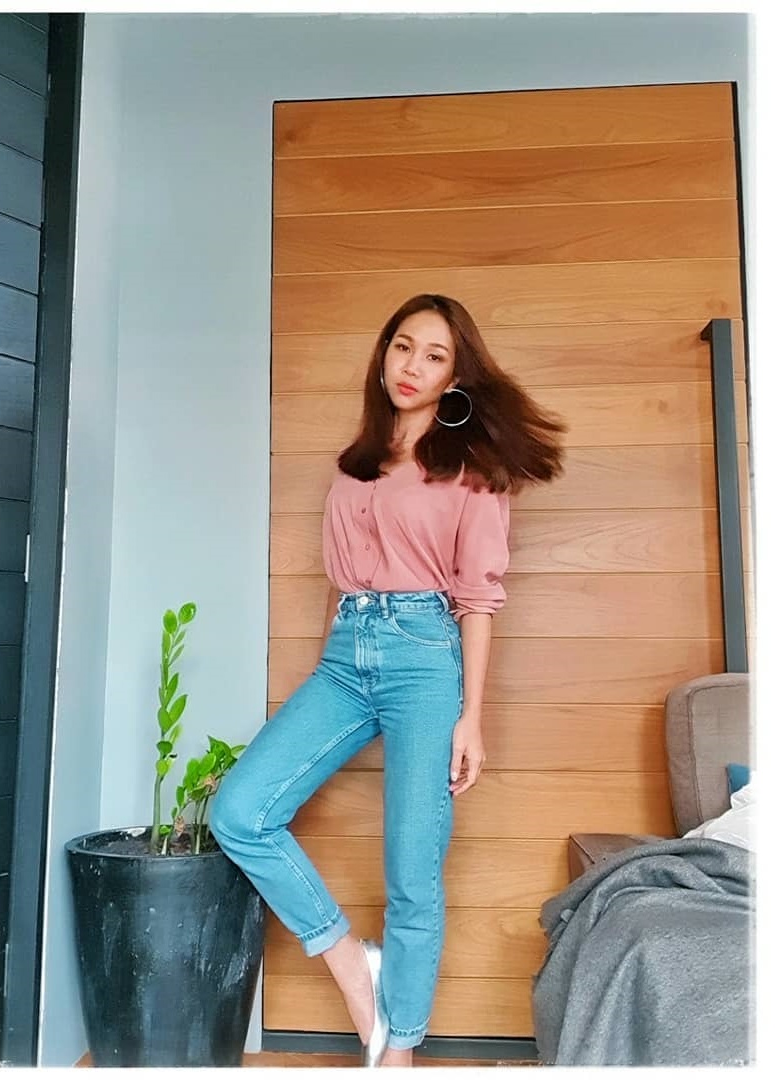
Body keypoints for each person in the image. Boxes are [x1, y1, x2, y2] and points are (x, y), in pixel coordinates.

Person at [210, 293, 565, 1067]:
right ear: (383, 354)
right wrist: (327, 661)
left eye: (435, 356)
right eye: (403, 346)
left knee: (412, 871)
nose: (412, 366)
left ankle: (397, 1051)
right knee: (240, 811)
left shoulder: (473, 472)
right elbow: (338, 583)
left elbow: (478, 600)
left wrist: (471, 718)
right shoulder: (354, 463)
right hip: (345, 658)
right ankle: (349, 963)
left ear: (455, 376)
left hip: (424, 658)